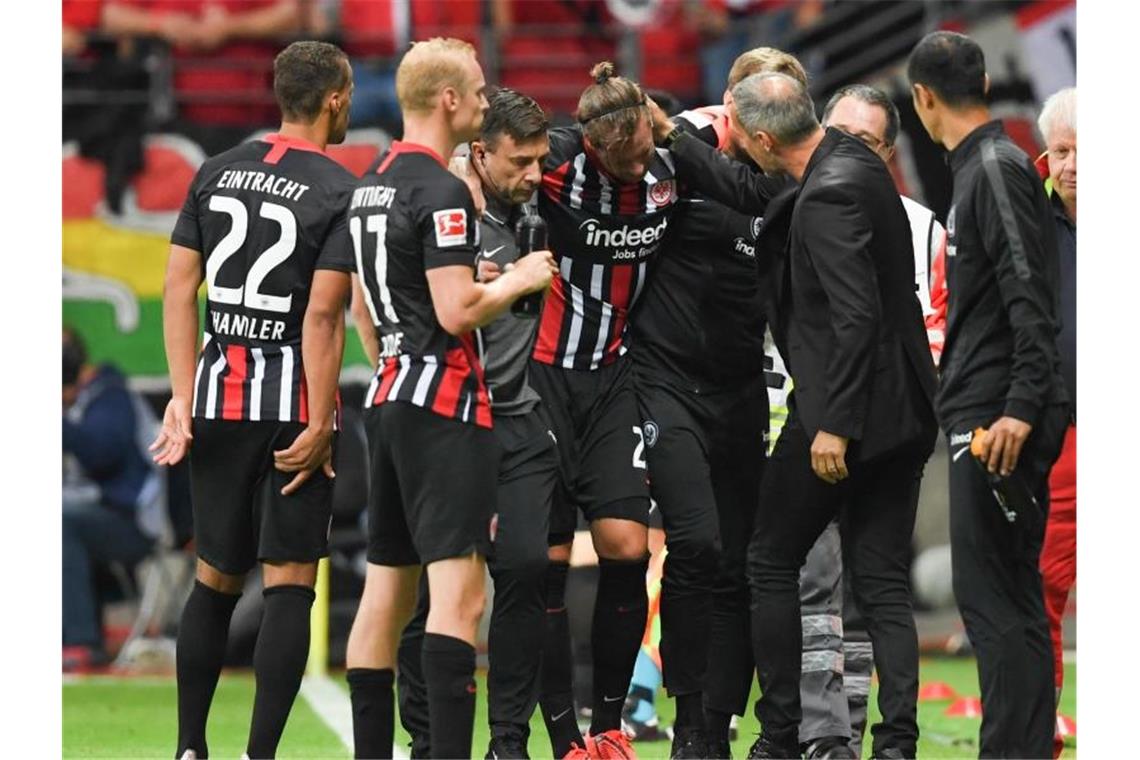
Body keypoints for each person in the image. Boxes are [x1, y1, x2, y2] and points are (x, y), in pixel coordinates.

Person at [650, 71, 939, 758]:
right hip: (906, 408)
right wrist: (678, 140)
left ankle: (779, 737)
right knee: (883, 582)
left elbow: (854, 316)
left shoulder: (827, 195)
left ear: (757, 137)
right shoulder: (853, 163)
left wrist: (833, 423)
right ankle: (897, 744)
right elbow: (756, 194)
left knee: (770, 558)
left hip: (849, 406)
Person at [342, 39, 556, 760]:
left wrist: (395, 362)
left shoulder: (371, 180)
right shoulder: (440, 190)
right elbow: (460, 310)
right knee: (459, 599)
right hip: (446, 405)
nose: (487, 98)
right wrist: (521, 279)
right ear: (449, 101)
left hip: (391, 393)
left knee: (386, 595)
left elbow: (362, 308)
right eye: (479, 88)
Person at [150, 40, 358, 760]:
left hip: (217, 400)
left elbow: (180, 287)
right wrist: (322, 418)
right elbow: (323, 316)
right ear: (334, 98)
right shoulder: (336, 190)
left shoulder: (215, 171)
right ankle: (259, 756)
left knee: (214, 578)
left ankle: (188, 747)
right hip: (289, 408)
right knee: (290, 586)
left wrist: (183, 395)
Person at [628, 47, 799, 759]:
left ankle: (713, 726)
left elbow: (752, 198)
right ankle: (688, 712)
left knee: (737, 562)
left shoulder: (788, 173)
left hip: (740, 384)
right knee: (694, 544)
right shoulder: (678, 152)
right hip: (666, 377)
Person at [908, 31, 1070, 759]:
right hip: (992, 408)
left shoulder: (995, 170)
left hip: (997, 417)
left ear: (921, 98)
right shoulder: (987, 166)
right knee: (1011, 602)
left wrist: (1019, 406)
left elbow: (1029, 298)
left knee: (998, 604)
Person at [794, 82, 951, 760]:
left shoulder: (921, 226)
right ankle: (850, 731)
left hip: (858, 421)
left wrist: (847, 412)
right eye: (840, 136)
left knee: (859, 585)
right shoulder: (896, 218)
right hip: (865, 417)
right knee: (837, 587)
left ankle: (861, 734)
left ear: (888, 151)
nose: (848, 152)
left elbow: (940, 327)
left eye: (864, 142)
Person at [532, 61, 682, 760]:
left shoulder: (670, 163)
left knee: (627, 547)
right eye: (624, 159)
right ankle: (564, 737)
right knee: (549, 562)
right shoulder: (556, 162)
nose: (638, 167)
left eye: (645, 150)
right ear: (594, 145)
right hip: (543, 381)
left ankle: (610, 728)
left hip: (616, 375)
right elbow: (485, 159)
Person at [63, 327, 164, 672]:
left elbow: (102, 453)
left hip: (133, 523)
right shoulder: (82, 402)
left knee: (60, 521)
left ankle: (79, 641)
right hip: (97, 516)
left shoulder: (111, 396)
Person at [1035, 85, 1076, 759]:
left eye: (1085, 152)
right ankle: (1037, 729)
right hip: (1060, 431)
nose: (1071, 164)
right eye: (1060, 150)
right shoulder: (1026, 221)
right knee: (1037, 586)